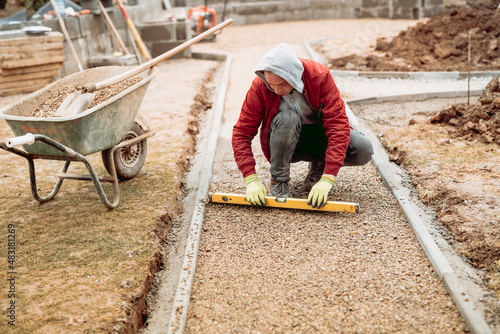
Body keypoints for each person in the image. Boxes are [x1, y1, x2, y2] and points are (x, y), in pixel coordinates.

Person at [232, 43, 373, 209]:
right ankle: (279, 180)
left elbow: (338, 125)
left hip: (319, 139)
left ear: (293, 75)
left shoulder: (319, 77)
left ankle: (320, 166)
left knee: (363, 149)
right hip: (283, 141)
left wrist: (328, 178)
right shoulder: (261, 86)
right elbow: (242, 133)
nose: (276, 90)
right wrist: (251, 180)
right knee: (288, 117)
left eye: (282, 84)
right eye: (272, 84)